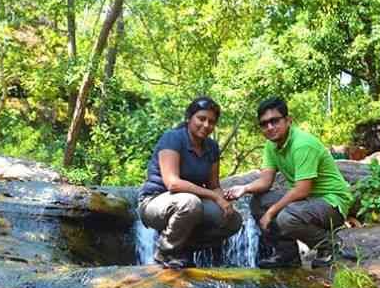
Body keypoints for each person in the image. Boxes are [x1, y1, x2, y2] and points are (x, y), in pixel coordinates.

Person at [224, 96, 353, 268]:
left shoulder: (302, 145)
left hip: (331, 202)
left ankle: (330, 245)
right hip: (307, 202)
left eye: (274, 121)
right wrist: (244, 188)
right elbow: (265, 181)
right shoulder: (271, 146)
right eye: (264, 124)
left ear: (288, 120)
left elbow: (302, 190)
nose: (270, 127)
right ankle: (287, 254)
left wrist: (271, 213)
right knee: (258, 201)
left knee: (286, 218)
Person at [137, 96, 243, 269]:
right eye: (201, 119)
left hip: (191, 205)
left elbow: (214, 185)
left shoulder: (212, 147)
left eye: (211, 121)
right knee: (190, 203)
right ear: (189, 118)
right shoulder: (172, 138)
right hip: (155, 202)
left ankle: (185, 250)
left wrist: (223, 201)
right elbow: (173, 184)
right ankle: (165, 252)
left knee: (233, 220)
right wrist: (213, 197)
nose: (206, 125)